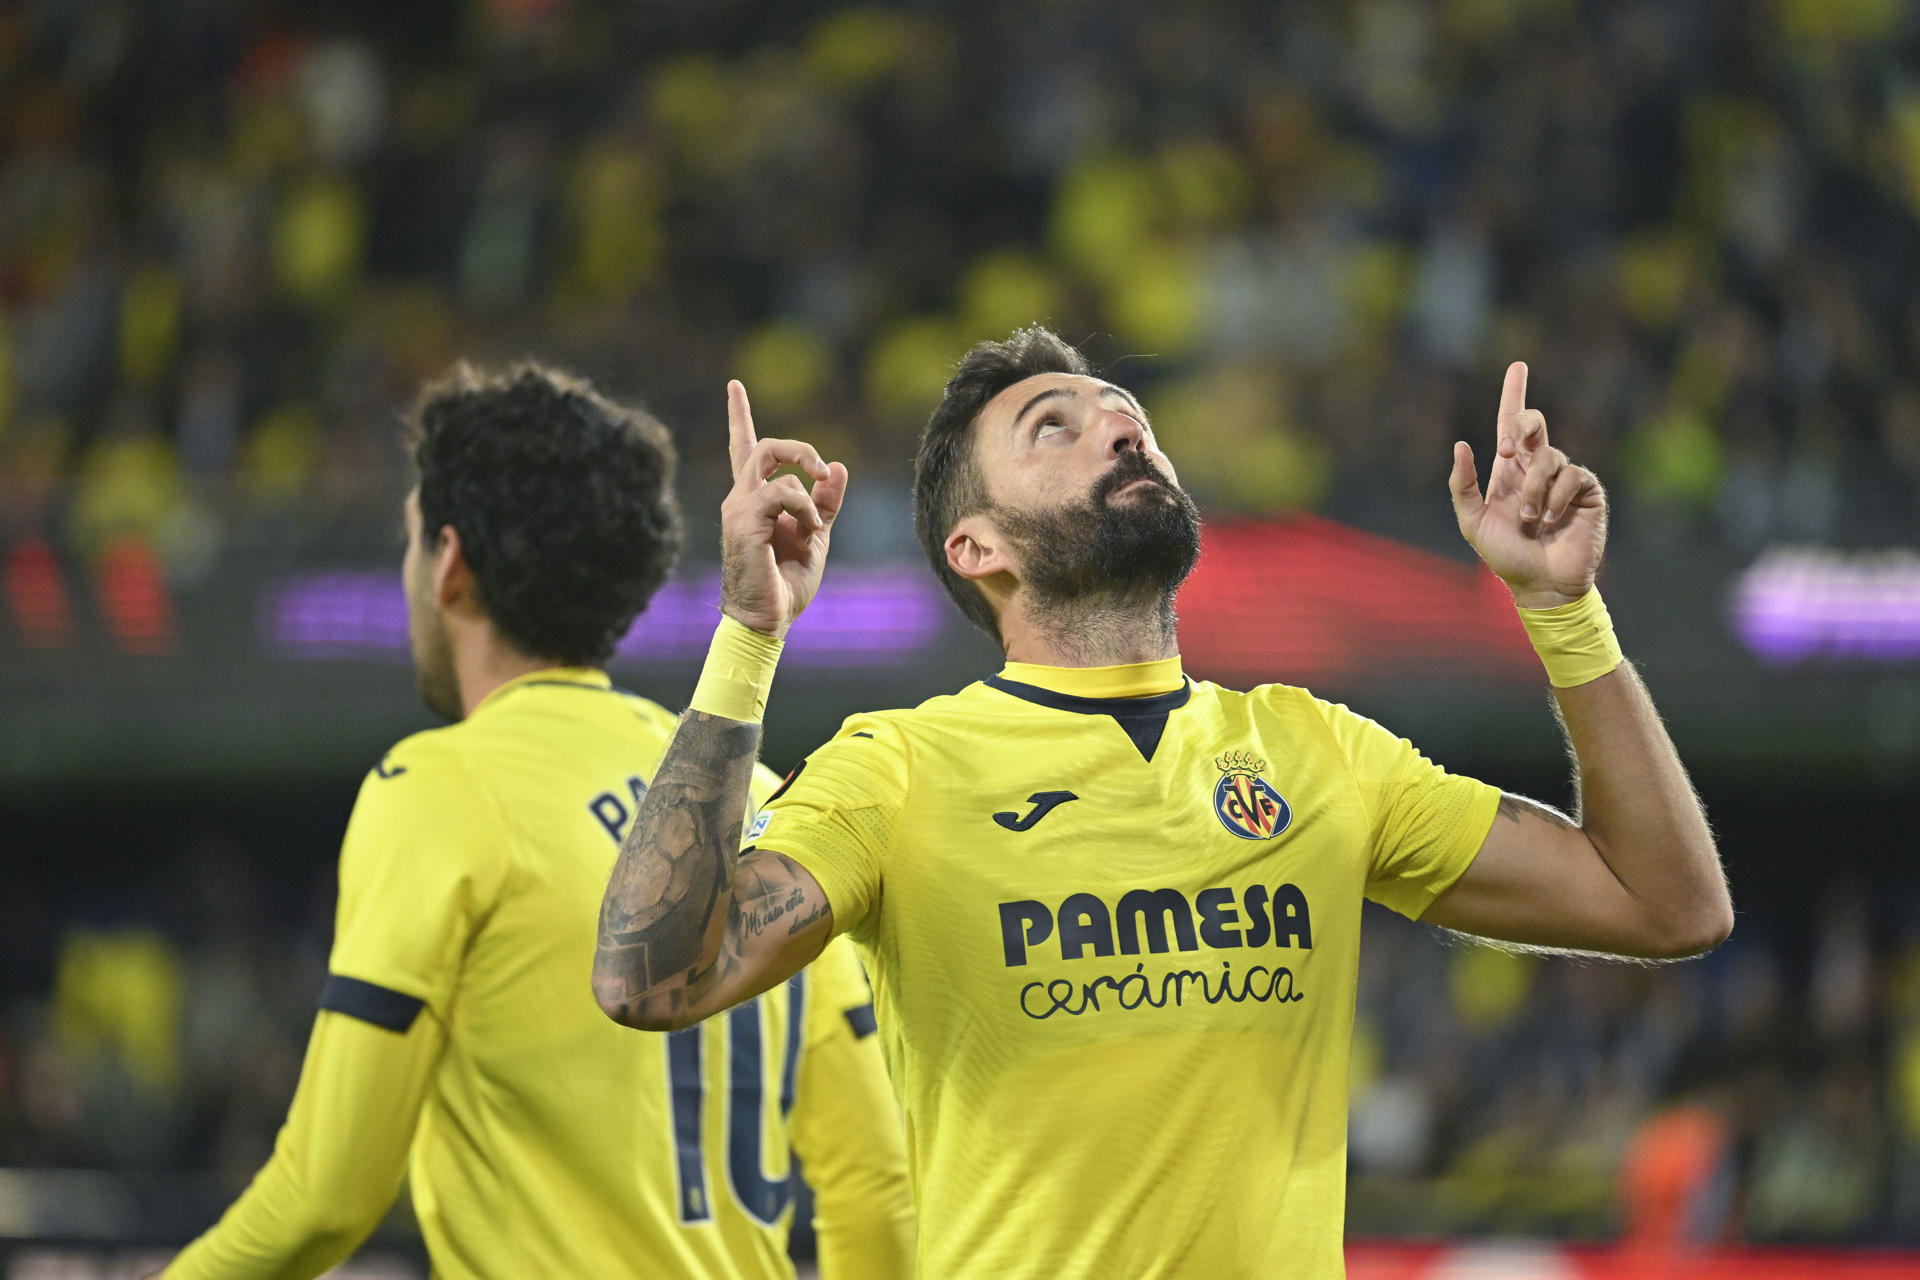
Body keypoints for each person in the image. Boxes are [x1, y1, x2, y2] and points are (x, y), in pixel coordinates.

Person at [591, 327, 1732, 1279]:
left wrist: (1562, 611)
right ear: (975, 544)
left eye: (1129, 413)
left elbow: (1668, 903)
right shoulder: (898, 767)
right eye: (1056, 426)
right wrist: (749, 637)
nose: (1122, 428)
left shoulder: (1314, 748)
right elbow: (650, 976)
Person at [162, 363, 915, 1280]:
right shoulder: (754, 797)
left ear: (449, 561)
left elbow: (325, 1199)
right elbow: (877, 1189)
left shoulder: (438, 787)